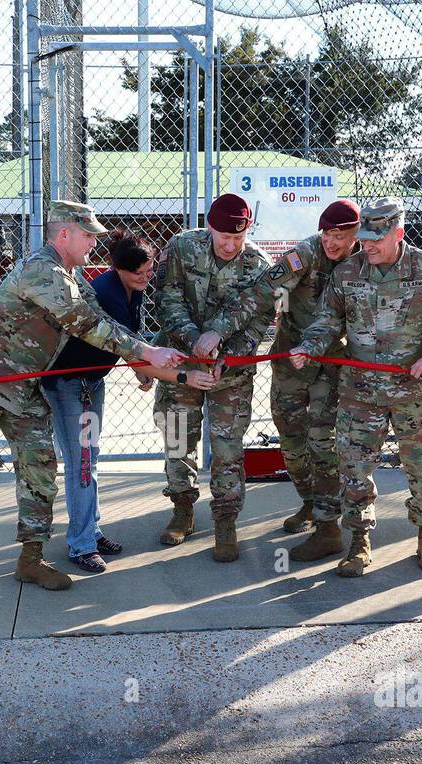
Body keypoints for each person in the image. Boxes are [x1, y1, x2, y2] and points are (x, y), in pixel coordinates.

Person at [0, 200, 186, 595]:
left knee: (39, 470)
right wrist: (147, 354)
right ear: (64, 233)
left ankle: (31, 559)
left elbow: (101, 320)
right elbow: (81, 322)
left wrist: (149, 351)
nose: (93, 243)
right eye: (87, 235)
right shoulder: (42, 270)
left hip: (22, 387)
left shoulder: (72, 275)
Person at [291, 197, 422, 577]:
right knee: (354, 470)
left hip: (416, 395)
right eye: (365, 237)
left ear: (398, 233)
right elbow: (328, 319)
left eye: (376, 238)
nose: (367, 245)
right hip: (360, 394)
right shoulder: (348, 272)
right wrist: (310, 347)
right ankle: (358, 542)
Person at [43, 229, 217, 574]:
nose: (145, 277)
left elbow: (126, 341)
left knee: (89, 462)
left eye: (149, 271)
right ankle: (81, 545)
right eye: (138, 273)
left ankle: (90, 531)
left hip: (92, 383)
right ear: (117, 268)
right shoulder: (108, 293)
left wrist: (137, 368)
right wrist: (187, 377)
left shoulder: (130, 289)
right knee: (82, 465)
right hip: (71, 386)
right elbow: (136, 352)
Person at [215, 198, 362, 562]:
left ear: (356, 234)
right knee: (292, 440)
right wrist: (219, 332)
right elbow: (262, 293)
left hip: (333, 363)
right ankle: (311, 504)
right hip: (291, 360)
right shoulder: (306, 253)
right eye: (327, 233)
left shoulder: (365, 260)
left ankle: (329, 528)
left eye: (340, 236)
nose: (332, 242)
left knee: (321, 440)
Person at [150, 193, 273, 562]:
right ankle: (182, 509)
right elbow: (166, 297)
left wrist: (229, 359)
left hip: (230, 374)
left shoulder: (259, 265)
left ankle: (225, 520)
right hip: (181, 364)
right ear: (209, 228)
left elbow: (258, 322)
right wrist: (193, 341)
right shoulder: (182, 247)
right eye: (224, 238)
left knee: (227, 447)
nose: (231, 245)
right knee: (176, 437)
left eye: (239, 238)